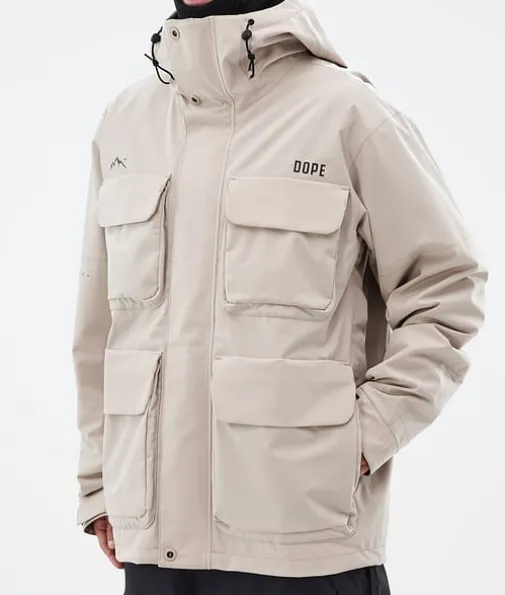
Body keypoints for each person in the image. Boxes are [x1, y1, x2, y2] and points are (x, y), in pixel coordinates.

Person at [71, 0, 488, 593]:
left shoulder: (348, 115)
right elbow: (100, 330)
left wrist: (364, 437)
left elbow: (446, 289)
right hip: (154, 549)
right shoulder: (125, 122)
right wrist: (100, 482)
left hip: (305, 547)